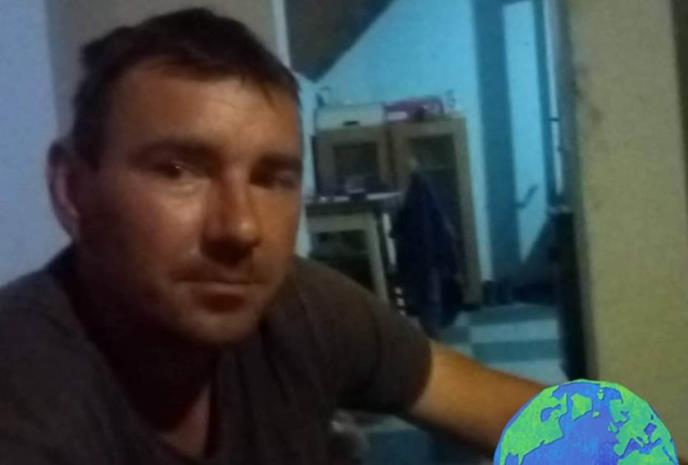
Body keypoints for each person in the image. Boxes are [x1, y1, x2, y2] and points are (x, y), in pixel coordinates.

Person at [0, 8, 542, 465]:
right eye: (178, 170)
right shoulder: (26, 401)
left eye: (271, 178)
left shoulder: (298, 306)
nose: (241, 227)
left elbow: (517, 413)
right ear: (73, 189)